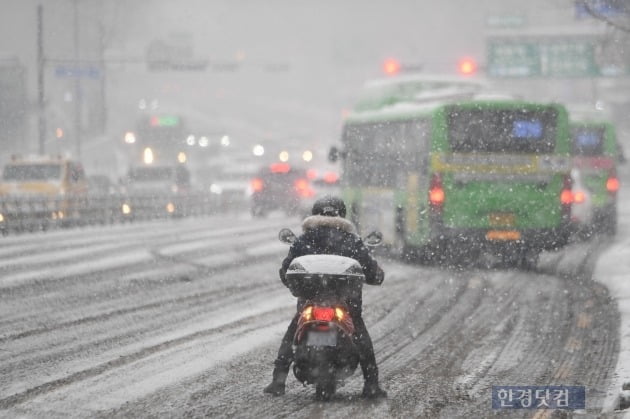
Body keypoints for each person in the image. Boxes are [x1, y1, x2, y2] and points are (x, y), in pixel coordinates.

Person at [264, 195, 387, 399]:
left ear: (314, 214)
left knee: (292, 332)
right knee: (360, 336)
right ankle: (371, 384)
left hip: (309, 304)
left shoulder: (303, 240)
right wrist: (374, 276)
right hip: (346, 306)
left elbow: (286, 271)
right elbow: (374, 275)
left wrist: (299, 286)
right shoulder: (353, 242)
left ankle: (278, 381)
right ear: (343, 215)